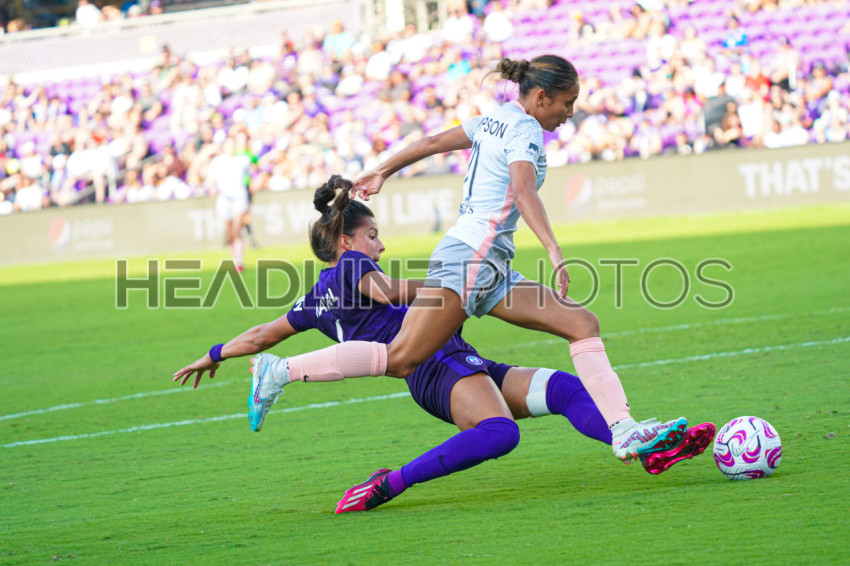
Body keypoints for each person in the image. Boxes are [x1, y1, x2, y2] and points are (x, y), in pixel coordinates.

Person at [173, 176, 716, 513]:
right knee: (500, 433)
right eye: (372, 235)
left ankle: (636, 443)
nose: (380, 244)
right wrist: (451, 284)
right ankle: (390, 484)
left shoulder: (314, 298)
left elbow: (261, 335)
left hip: (449, 361)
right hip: (435, 366)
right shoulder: (355, 265)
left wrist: (215, 354)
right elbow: (388, 291)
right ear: (345, 240)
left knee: (566, 390)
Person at [206, 136, 252, 272]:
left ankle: (239, 261)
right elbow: (211, 179)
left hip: (239, 197)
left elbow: (249, 177)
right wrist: (212, 188)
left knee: (237, 229)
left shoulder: (243, 160)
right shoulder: (217, 161)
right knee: (230, 232)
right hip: (224, 199)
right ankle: (235, 260)